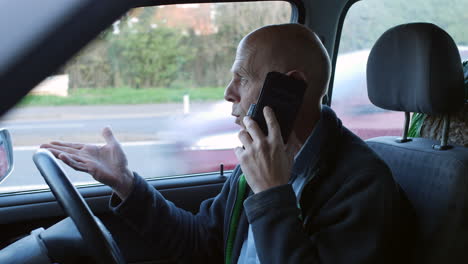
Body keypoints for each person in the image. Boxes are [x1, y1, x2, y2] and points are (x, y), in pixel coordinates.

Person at [41, 23, 410, 263]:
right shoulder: (261, 158)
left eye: (242, 79)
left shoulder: (361, 184)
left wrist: (272, 195)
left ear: (291, 86)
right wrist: (126, 182)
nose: (228, 93)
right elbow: (203, 242)